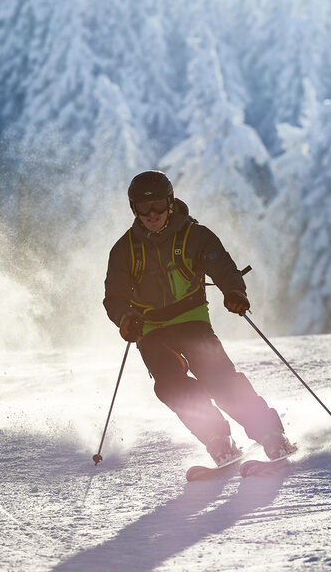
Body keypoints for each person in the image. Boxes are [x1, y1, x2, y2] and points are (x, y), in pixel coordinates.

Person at [103, 170, 296, 465]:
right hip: (151, 328)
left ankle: (271, 434)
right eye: (144, 208)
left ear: (170, 203)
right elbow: (114, 297)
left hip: (191, 319)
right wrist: (126, 319)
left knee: (219, 378)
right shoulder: (124, 250)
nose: (152, 214)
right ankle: (217, 438)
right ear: (134, 209)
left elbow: (224, 269)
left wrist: (234, 292)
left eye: (157, 205)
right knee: (169, 384)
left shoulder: (196, 236)